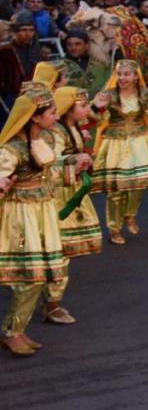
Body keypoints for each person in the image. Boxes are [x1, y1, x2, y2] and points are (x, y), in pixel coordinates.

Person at [0, 83, 85, 356]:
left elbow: (48, 174)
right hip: (21, 217)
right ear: (34, 116)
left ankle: (18, 330)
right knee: (30, 276)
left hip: (43, 212)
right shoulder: (12, 149)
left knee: (40, 276)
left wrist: (72, 164)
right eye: (51, 113)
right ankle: (13, 331)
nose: (56, 116)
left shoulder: (44, 140)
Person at [44, 80, 100, 325]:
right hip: (58, 195)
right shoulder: (56, 132)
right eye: (83, 105)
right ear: (68, 108)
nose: (87, 109)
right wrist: (73, 159)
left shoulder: (74, 127)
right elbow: (49, 163)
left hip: (72, 190)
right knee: (58, 250)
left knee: (62, 251)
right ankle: (52, 304)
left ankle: (52, 300)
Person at [90, 58, 148, 244]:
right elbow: (91, 118)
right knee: (115, 189)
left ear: (136, 76)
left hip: (139, 141)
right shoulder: (107, 95)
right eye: (119, 74)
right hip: (115, 143)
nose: (122, 77)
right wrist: (96, 106)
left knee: (139, 183)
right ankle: (114, 228)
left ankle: (130, 214)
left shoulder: (146, 94)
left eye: (126, 74)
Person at [57, 29, 108, 96]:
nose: (73, 48)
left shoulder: (99, 63)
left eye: (78, 44)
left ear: (86, 45)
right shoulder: (59, 66)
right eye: (69, 44)